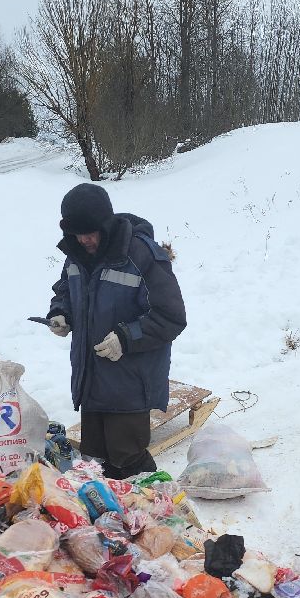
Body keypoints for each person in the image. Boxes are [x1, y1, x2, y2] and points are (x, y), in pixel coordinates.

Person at [46, 183, 186, 479]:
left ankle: (155, 513)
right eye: (77, 233)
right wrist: (61, 313)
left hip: (130, 383)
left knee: (127, 458)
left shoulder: (140, 255)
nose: (84, 240)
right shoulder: (76, 253)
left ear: (106, 224)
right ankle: (109, 519)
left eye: (91, 232)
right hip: (91, 379)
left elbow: (171, 316)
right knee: (94, 462)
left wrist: (125, 337)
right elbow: (66, 291)